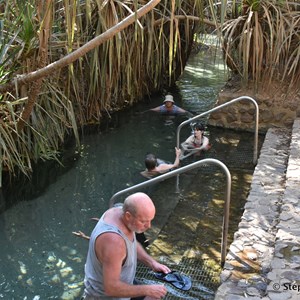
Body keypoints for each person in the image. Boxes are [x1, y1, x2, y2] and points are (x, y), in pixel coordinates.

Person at [82, 192, 170, 300]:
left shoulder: (119, 212)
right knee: (152, 293)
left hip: (124, 282)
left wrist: (152, 263)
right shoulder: (114, 243)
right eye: (143, 221)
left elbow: (131, 243)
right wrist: (148, 289)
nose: (148, 226)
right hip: (105, 296)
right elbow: (111, 288)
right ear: (128, 216)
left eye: (150, 220)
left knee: (154, 297)